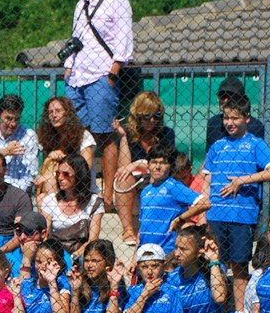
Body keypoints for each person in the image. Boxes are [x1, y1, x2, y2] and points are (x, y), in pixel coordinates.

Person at [201, 96, 270, 313]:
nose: (230, 122)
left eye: (235, 118)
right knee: (214, 263)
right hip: (215, 215)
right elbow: (206, 180)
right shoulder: (217, 146)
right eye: (226, 118)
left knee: (238, 267)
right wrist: (202, 212)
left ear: (247, 118)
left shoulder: (256, 144)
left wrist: (242, 181)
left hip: (241, 217)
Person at [64, 0, 131, 211]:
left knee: (104, 135)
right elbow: (75, 37)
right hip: (77, 77)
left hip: (101, 74)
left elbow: (124, 37)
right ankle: (82, 188)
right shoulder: (80, 3)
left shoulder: (118, 1)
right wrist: (68, 66)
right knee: (77, 135)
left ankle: (109, 194)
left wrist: (114, 70)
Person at [112, 91, 176, 245]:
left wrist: (137, 164)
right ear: (137, 115)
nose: (152, 120)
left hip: (158, 180)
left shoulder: (167, 134)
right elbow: (123, 168)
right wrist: (123, 137)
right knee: (122, 178)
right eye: (147, 116)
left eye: (156, 116)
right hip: (135, 181)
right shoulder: (129, 133)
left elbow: (164, 166)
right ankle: (128, 230)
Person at [135, 142, 210, 255]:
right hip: (145, 252)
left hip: (167, 250)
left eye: (163, 163)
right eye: (154, 162)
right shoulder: (145, 191)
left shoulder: (173, 186)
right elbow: (142, 228)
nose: (157, 167)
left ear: (171, 166)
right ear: (148, 166)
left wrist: (180, 218)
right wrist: (134, 257)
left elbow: (204, 203)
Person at [39, 151, 105, 264]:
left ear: (79, 176)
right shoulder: (50, 201)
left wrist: (74, 257)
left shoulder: (94, 203)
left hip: (81, 253)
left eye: (65, 174)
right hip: (55, 253)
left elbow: (92, 240)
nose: (60, 178)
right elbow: (45, 236)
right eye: (58, 173)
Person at [35, 96, 96, 202]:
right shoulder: (48, 137)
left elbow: (86, 168)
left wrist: (53, 174)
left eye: (58, 111)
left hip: (79, 185)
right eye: (50, 112)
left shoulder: (83, 136)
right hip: (58, 184)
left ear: (68, 113)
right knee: (41, 198)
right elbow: (47, 167)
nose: (54, 115)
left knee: (50, 182)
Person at [204, 78, 266, 148]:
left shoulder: (255, 126)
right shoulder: (213, 123)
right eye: (222, 96)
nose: (225, 100)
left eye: (230, 96)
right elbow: (209, 153)